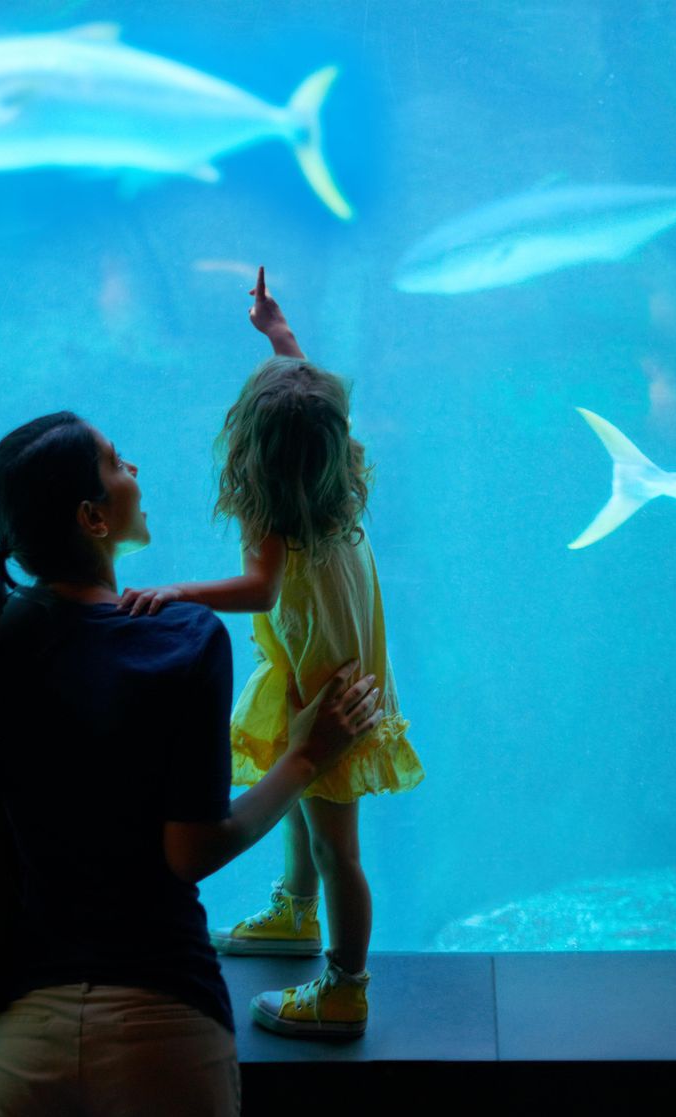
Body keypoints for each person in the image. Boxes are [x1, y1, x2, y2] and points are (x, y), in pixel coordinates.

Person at [0, 411, 383, 1117]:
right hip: (163, 1033)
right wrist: (306, 755)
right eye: (118, 464)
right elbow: (192, 852)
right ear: (91, 517)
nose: (135, 472)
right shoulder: (181, 642)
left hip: (17, 1043)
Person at [119, 267, 424, 1039]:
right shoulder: (339, 474)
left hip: (333, 694)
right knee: (300, 803)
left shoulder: (274, 513)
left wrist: (179, 591)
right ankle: (295, 911)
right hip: (334, 668)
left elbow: (258, 592)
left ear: (251, 449)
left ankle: (347, 988)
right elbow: (310, 399)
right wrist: (278, 333)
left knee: (337, 846)